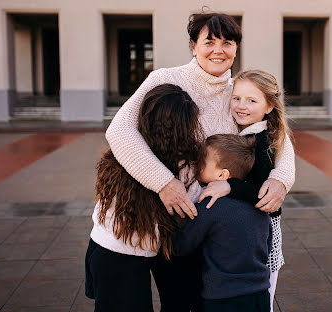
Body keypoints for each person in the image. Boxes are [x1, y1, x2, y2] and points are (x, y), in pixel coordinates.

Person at [105, 12, 295, 311]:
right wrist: (164, 183)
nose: (218, 50)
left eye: (227, 42)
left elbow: (274, 134)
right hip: (150, 216)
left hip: (200, 224)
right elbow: (119, 130)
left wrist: (281, 179)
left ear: (236, 48)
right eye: (209, 41)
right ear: (193, 45)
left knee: (185, 304)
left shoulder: (238, 92)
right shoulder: (165, 78)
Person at [85, 84, 203, 312]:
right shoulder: (185, 167)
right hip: (127, 251)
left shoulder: (123, 154)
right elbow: (191, 207)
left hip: (109, 248)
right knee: (183, 301)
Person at [198, 70, 293, 311]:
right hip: (248, 232)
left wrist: (230, 185)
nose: (242, 106)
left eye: (252, 101)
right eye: (237, 98)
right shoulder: (248, 132)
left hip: (262, 233)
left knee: (263, 293)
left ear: (269, 106)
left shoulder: (262, 141)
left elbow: (261, 195)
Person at [176, 134, 272, 312]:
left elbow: (183, 245)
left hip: (223, 297)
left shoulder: (209, 205)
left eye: (203, 162)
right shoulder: (259, 207)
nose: (197, 164)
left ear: (222, 174)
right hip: (260, 293)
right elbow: (267, 245)